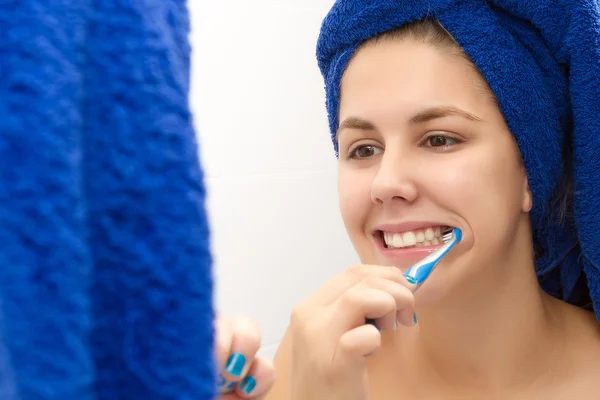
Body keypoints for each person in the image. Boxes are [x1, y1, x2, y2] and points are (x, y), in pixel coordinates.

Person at [215, 2, 600, 399]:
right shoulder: (315, 360)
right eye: (364, 149)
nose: (386, 183)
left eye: (439, 139)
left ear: (530, 172)